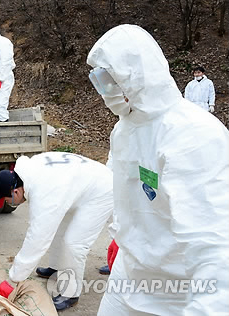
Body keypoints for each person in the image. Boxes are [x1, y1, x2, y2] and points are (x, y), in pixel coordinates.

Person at [87, 24, 229, 315]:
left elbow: (214, 246)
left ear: (137, 74)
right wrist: (121, 235)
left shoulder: (193, 135)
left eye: (110, 80)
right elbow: (122, 191)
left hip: (176, 292)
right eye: (99, 81)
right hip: (128, 276)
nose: (105, 91)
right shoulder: (124, 130)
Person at [0, 152, 114, 311]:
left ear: (15, 192)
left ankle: (70, 294)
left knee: (74, 244)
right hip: (80, 185)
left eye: (7, 201)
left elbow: (37, 240)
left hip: (102, 190)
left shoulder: (44, 193)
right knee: (58, 228)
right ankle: (56, 267)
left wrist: (13, 280)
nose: (10, 204)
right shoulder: (29, 171)